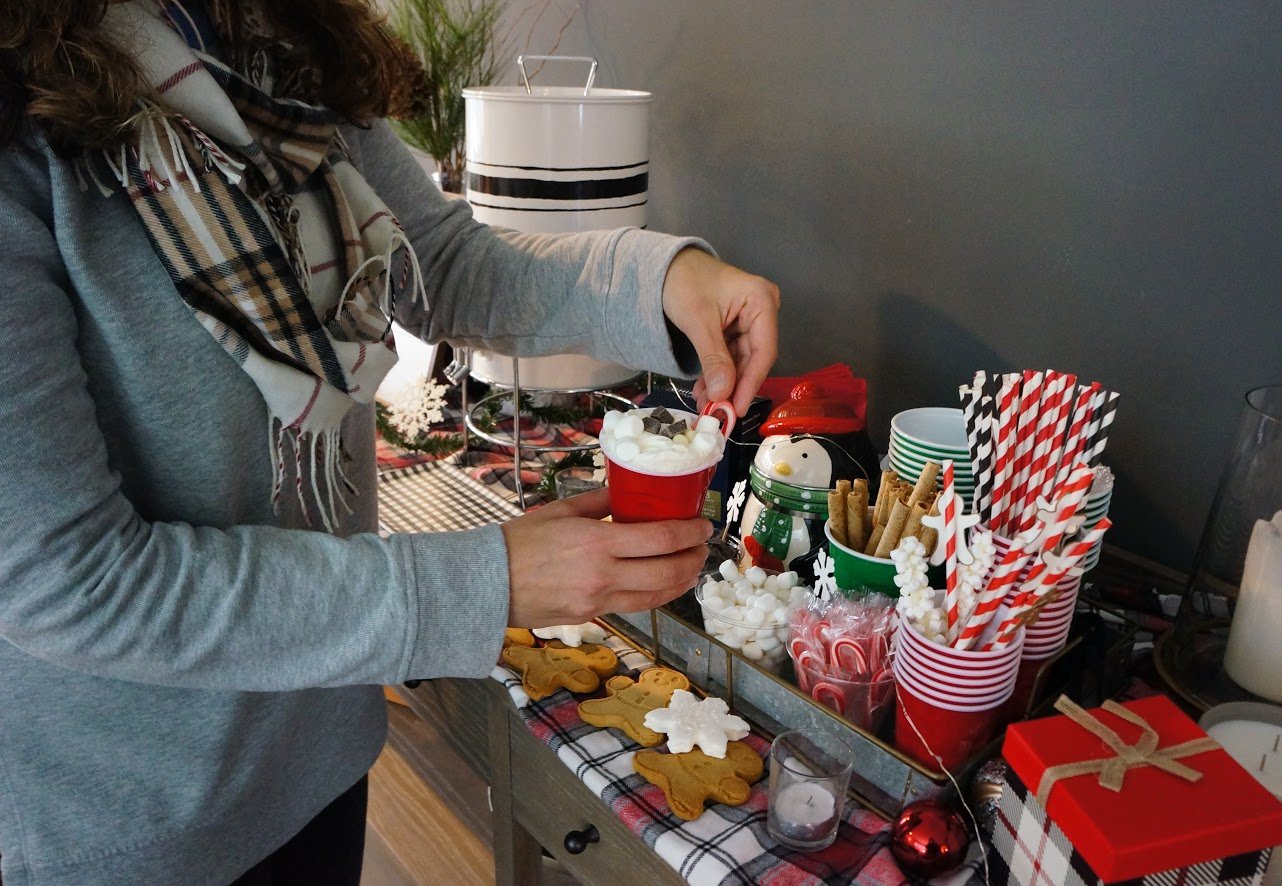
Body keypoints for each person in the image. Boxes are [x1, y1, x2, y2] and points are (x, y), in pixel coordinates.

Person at [0, 1, 779, 883]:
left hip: (321, 746)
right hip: (137, 822)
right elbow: (72, 581)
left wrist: (662, 280)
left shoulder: (270, 38)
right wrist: (483, 583)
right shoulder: (22, 140)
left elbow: (439, 262)